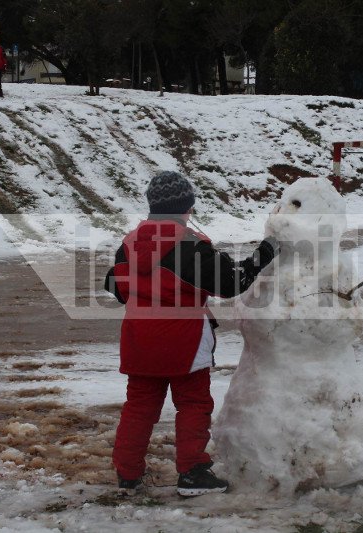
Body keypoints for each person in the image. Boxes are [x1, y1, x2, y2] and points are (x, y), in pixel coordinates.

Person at [105, 171, 279, 497]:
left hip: (139, 342)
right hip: (184, 342)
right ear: (187, 206)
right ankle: (192, 474)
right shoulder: (191, 246)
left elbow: (115, 288)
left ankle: (127, 475)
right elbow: (232, 284)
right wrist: (266, 253)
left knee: (139, 407)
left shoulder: (128, 243)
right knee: (193, 404)